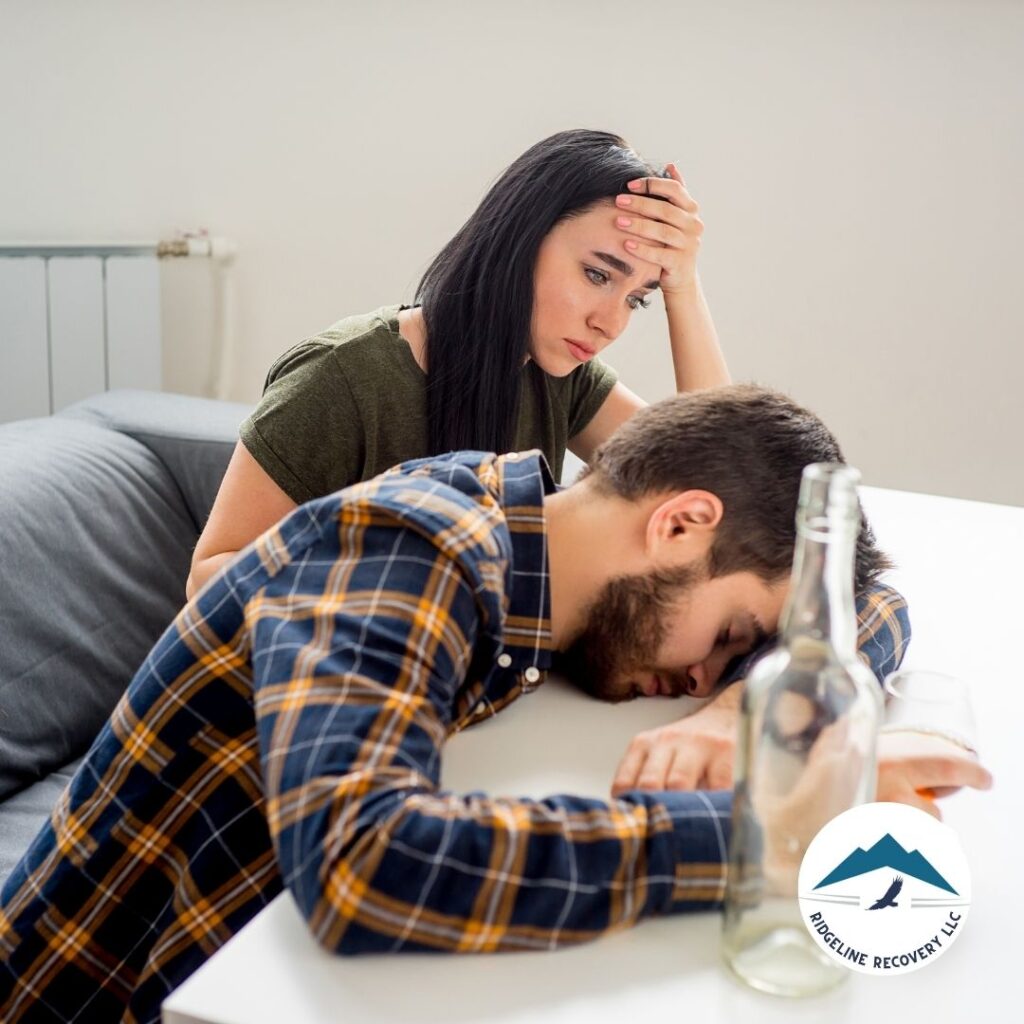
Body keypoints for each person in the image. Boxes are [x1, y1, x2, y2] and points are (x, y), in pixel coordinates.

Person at [0, 386, 991, 1023]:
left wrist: (726, 714)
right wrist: (767, 836)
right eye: (729, 638)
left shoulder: (535, 557)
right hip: (108, 999)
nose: (704, 672)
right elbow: (367, 867)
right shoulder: (414, 554)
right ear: (682, 523)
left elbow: (870, 602)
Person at [186, 128, 726, 599]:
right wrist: (399, 578)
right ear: (521, 239)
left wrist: (685, 286)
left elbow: (706, 478)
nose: (611, 323)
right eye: (597, 274)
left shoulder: (563, 377)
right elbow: (208, 577)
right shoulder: (343, 377)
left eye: (638, 299)